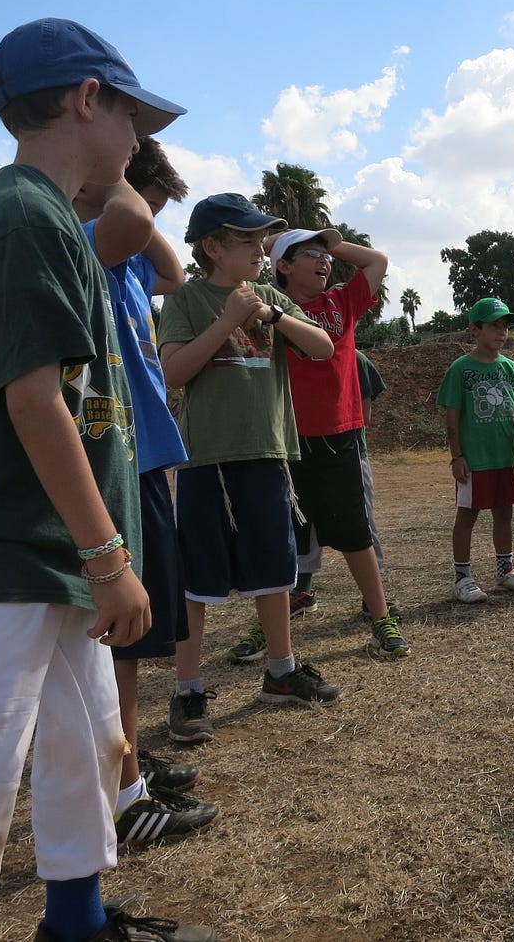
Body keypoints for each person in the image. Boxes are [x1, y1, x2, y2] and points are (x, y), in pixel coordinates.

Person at [0, 18, 215, 942]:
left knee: (89, 741)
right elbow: (35, 402)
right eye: (133, 117)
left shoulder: (53, 218)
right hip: (6, 543)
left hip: (53, 544)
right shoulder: (20, 218)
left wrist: (95, 553)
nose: (139, 142)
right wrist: (110, 558)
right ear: (86, 98)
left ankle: (76, 921)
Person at [74, 138, 219, 847]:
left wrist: (135, 189)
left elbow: (173, 270)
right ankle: (123, 786)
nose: (149, 221)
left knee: (133, 636)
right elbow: (130, 223)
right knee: (120, 638)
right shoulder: (87, 243)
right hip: (115, 457)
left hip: (144, 451)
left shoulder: (129, 256)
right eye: (147, 205)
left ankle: (124, 759)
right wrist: (114, 174)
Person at [158, 194, 342, 745]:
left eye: (263, 240)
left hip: (267, 453)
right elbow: (173, 372)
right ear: (212, 247)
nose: (261, 250)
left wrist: (274, 315)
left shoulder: (270, 297)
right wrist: (227, 321)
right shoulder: (185, 298)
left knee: (274, 569)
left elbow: (323, 348)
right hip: (208, 459)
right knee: (198, 577)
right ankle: (188, 689)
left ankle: (281, 672)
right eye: (248, 241)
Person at [229, 228, 408, 658]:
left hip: (338, 435)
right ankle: (269, 626)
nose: (325, 261)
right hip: (285, 438)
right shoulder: (265, 305)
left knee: (355, 534)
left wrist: (328, 244)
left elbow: (377, 261)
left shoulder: (341, 302)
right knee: (282, 539)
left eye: (325, 255)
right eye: (311, 254)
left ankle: (380, 617)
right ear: (283, 267)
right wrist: (269, 245)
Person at [436, 297, 514, 604]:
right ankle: (462, 578)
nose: (501, 332)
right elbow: (452, 416)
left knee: (504, 513)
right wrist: (457, 456)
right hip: (475, 459)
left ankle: (506, 570)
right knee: (467, 515)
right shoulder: (460, 369)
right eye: (494, 326)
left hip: (505, 458)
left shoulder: (511, 368)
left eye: (505, 326)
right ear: (475, 330)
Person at [288, 351, 389, 618]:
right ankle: (302, 591)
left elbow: (364, 414)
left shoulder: (354, 359)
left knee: (361, 525)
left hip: (348, 454)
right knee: (304, 525)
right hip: (301, 455)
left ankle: (374, 598)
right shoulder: (292, 355)